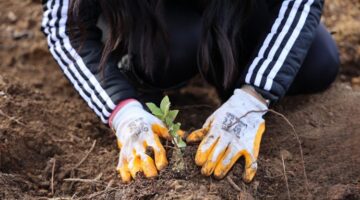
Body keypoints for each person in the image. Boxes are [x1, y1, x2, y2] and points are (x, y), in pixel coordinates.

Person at [41, 0, 339, 183]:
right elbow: (63, 27)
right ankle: (136, 72)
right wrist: (123, 111)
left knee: (317, 63)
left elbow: (299, 1)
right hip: (144, 15)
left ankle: (226, 66)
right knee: (170, 51)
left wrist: (253, 96)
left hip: (228, 8)